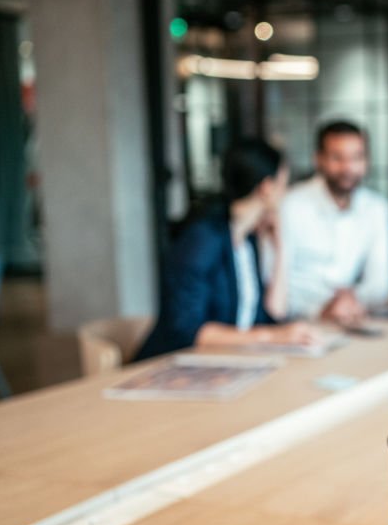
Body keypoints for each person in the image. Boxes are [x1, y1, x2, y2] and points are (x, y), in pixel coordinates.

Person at [137, 138, 319, 360]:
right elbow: (188, 331)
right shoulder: (202, 239)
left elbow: (273, 314)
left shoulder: (246, 240)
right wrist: (272, 336)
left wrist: (281, 249)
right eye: (283, 184)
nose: (286, 192)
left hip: (229, 363)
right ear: (266, 187)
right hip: (174, 368)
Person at [279, 120, 388, 327]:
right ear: (319, 160)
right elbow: (273, 278)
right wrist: (320, 309)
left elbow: (380, 283)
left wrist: (352, 299)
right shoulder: (290, 205)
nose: (348, 167)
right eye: (337, 157)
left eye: (357, 157)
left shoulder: (376, 208)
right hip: (296, 323)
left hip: (352, 320)